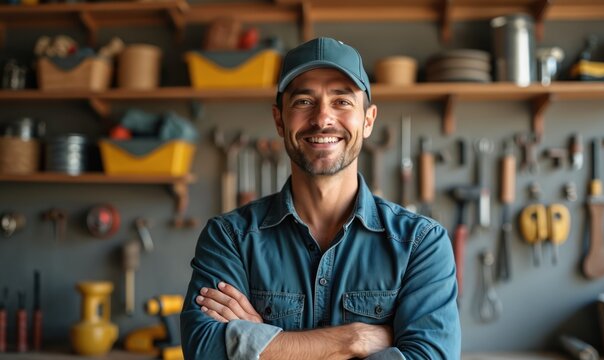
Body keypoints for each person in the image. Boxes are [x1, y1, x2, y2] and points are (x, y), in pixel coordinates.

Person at [180, 37, 460, 359]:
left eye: (342, 101)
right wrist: (352, 340)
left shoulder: (420, 243)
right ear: (279, 120)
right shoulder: (229, 238)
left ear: (368, 120)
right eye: (303, 101)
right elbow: (205, 350)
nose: (322, 118)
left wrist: (261, 344)